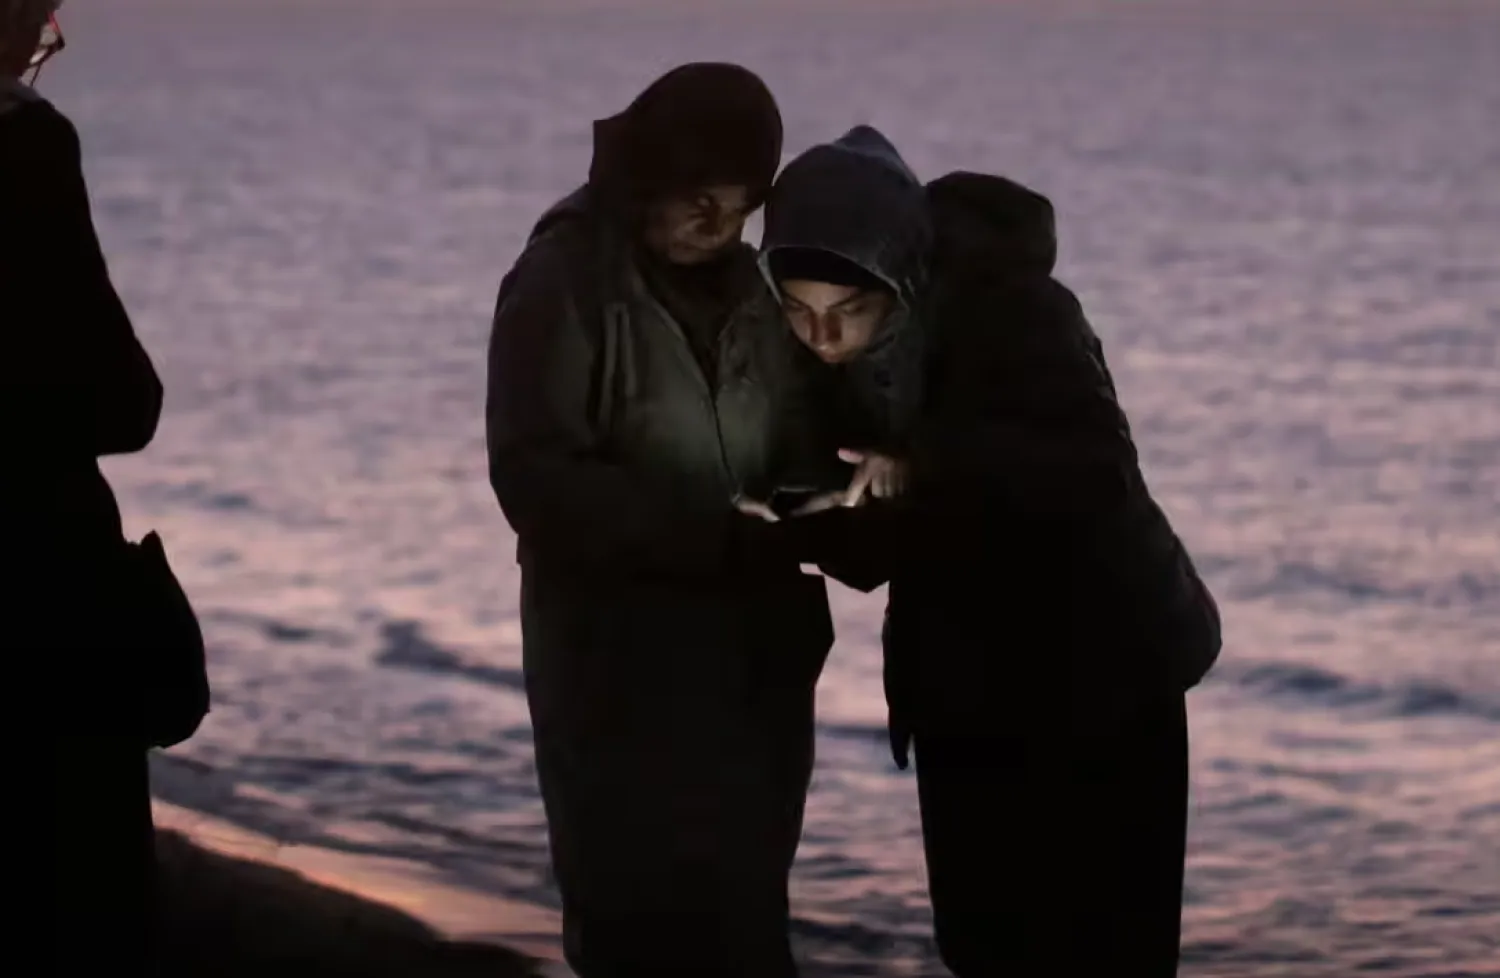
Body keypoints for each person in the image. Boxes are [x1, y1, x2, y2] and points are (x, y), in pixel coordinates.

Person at [757, 126, 1223, 976]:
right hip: (967, 690)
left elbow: (1088, 474)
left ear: (899, 279)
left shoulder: (1022, 312)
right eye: (798, 309)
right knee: (985, 944)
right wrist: (797, 510)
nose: (822, 336)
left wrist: (924, 463)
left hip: (1103, 676)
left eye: (847, 312)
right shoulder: (828, 363)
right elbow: (873, 553)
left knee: (1107, 947)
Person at [485, 64, 845, 978]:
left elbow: (801, 437)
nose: (718, 226)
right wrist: (710, 537)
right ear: (648, 175)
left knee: (748, 920)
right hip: (620, 669)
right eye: (699, 200)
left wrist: (839, 510)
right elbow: (535, 474)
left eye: (741, 206)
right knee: (637, 921)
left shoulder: (761, 291)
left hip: (751, 667)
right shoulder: (564, 279)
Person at [2, 1, 167, 971]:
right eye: (34, 19)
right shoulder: (23, 143)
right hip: (34, 605)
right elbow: (122, 401)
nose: (37, 48)